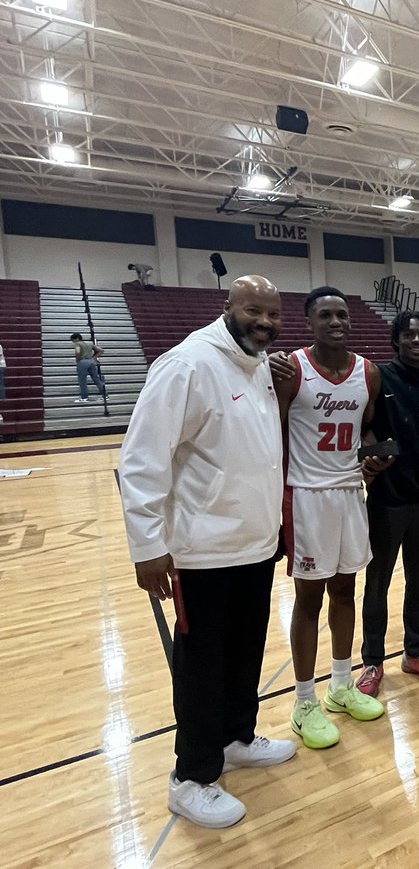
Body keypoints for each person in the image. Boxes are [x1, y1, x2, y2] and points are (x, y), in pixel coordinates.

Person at [118, 275, 295, 829]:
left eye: (272, 315)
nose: (263, 323)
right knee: (201, 668)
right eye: (252, 312)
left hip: (254, 548)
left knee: (245, 653)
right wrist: (149, 546)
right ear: (228, 307)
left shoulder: (262, 366)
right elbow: (143, 460)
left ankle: (237, 736)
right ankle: (191, 776)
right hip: (201, 554)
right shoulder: (185, 365)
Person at [274, 287, 384, 751]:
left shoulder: (369, 372)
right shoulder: (291, 369)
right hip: (306, 497)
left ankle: (340, 686)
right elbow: (271, 430)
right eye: (325, 315)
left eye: (342, 314)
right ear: (308, 322)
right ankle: (303, 703)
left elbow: (370, 430)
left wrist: (376, 458)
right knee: (309, 598)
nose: (336, 322)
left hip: (348, 494)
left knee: (345, 589)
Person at [356, 311, 419, 691]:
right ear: (396, 339)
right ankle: (372, 662)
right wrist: (369, 454)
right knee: (377, 583)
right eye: (408, 335)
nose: (416, 341)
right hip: (385, 500)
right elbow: (361, 426)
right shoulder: (378, 378)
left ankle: (414, 653)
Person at [70, 332, 106, 403]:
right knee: (96, 379)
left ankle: (84, 397)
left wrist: (78, 360)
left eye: (73, 340)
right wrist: (94, 357)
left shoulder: (78, 344)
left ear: (76, 339)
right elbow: (101, 350)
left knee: (82, 380)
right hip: (91, 361)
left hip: (83, 361)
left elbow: (78, 352)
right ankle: (105, 395)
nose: (73, 342)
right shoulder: (89, 344)